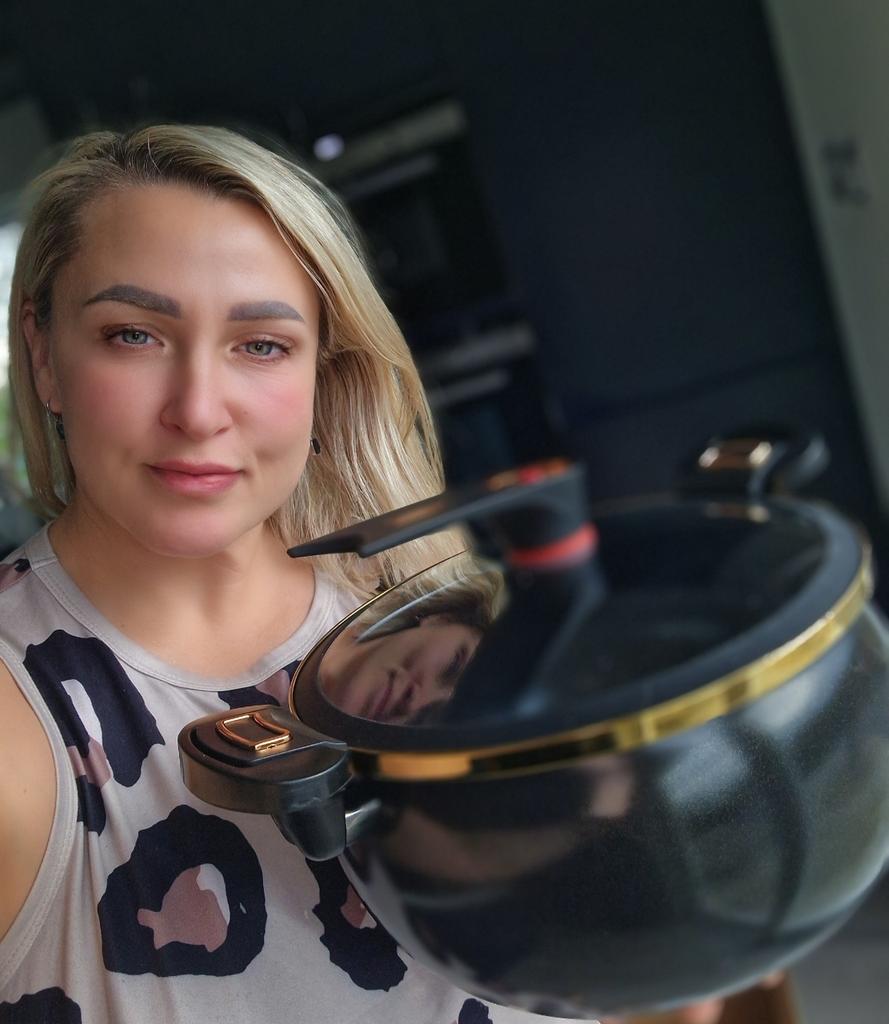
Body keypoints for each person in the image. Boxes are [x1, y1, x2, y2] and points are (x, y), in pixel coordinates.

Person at [0, 123, 737, 1024]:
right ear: (44, 354)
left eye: (261, 345)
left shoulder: (446, 626)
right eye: (133, 335)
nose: (197, 410)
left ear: (323, 371)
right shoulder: (21, 721)